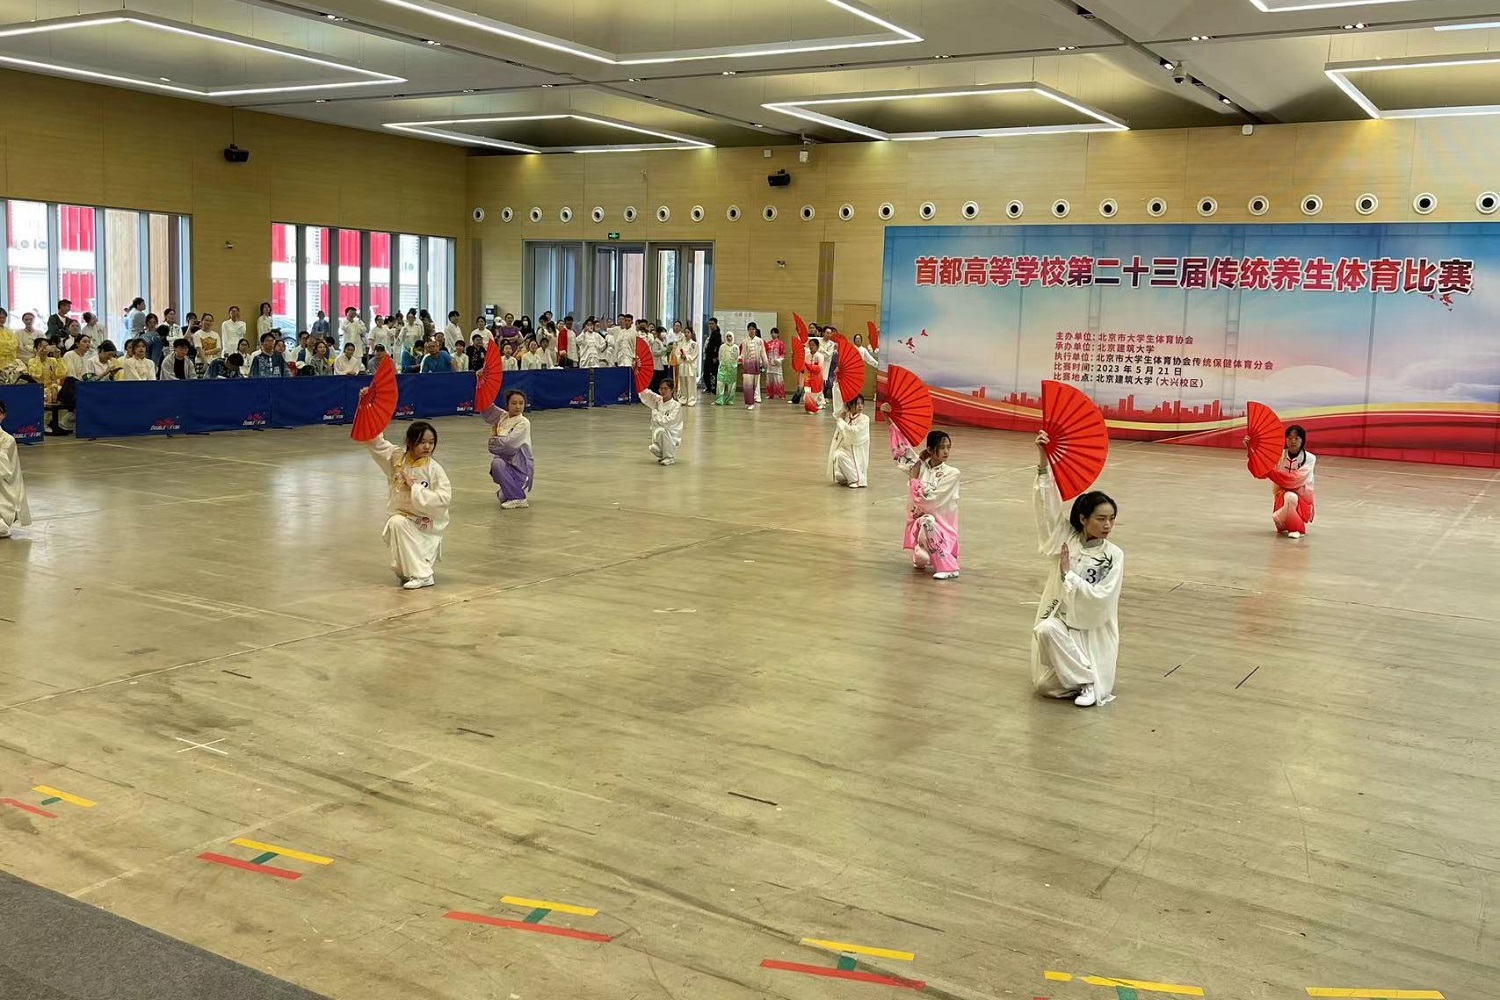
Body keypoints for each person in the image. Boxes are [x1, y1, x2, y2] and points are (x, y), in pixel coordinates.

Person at [1031, 431, 1123, 707]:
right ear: (1083, 519)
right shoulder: (1065, 540)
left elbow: (1102, 597)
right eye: (1101, 519)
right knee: (1044, 679)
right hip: (1064, 624)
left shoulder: (1114, 555)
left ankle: (1088, 682)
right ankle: (1084, 679)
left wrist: (1068, 575)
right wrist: (1043, 460)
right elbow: (1046, 511)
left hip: (1093, 630)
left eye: (1111, 519)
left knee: (1055, 685)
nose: (1107, 525)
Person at [362, 419, 451, 589]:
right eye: (422, 442)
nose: (427, 447)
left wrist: (415, 489)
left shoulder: (434, 469)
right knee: (397, 523)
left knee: (398, 523)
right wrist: (369, 416)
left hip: (425, 522)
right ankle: (413, 570)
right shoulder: (397, 457)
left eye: (431, 442)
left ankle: (424, 576)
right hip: (403, 516)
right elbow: (377, 443)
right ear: (410, 442)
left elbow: (444, 499)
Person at [887, 417, 960, 580]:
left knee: (928, 520)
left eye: (948, 447)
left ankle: (949, 567)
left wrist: (914, 480)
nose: (946, 452)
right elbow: (902, 450)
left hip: (941, 527)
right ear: (930, 449)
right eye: (942, 447)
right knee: (921, 560)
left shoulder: (952, 473)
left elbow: (931, 500)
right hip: (919, 525)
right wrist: (888, 418)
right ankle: (925, 552)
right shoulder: (920, 467)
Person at [1251, 424, 1316, 538]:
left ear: (1302, 440)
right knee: (1282, 524)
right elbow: (1261, 470)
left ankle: (1296, 529)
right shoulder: (1278, 455)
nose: (1292, 441)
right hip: (1281, 495)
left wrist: (1270, 472)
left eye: (1296, 438)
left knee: (1291, 497)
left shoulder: (1310, 458)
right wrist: (1250, 449)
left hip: (1302, 498)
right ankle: (1282, 518)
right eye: (1289, 438)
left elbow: (1294, 480)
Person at [484, 389, 534, 509]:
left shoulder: (523, 423)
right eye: (514, 403)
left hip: (520, 467)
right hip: (506, 463)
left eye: (521, 403)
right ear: (507, 404)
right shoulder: (503, 416)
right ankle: (512, 492)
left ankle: (519, 498)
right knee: (502, 495)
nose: (518, 407)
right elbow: (487, 408)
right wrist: (480, 385)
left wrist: (494, 437)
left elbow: (508, 445)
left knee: (497, 463)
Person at [0, 400, 30, 539]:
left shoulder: (8, 440)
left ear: (3, 415)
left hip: (3, 493)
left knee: (2, 529)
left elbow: (8, 471)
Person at [828, 394, 870, 488]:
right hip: (845, 448)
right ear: (850, 405)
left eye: (861, 403)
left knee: (840, 456)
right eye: (857, 404)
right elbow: (837, 408)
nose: (860, 406)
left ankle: (855, 479)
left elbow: (855, 433)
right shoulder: (846, 415)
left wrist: (841, 422)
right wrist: (837, 387)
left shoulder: (864, 419)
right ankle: (849, 477)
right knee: (838, 460)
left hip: (856, 450)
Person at [640, 380, 683, 466]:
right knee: (654, 448)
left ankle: (669, 457)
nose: (663, 391)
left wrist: (656, 414)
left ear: (672, 390)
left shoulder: (676, 406)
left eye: (666, 389)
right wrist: (639, 380)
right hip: (657, 433)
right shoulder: (658, 400)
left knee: (661, 431)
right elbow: (646, 394)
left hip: (671, 434)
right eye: (661, 389)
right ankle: (664, 453)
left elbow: (668, 421)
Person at [740, 324, 766, 410]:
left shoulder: (760, 341)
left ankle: (752, 401)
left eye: (753, 329)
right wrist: (739, 359)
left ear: (756, 330)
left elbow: (763, 353)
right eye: (750, 329)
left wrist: (765, 363)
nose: (751, 331)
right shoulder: (744, 341)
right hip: (747, 366)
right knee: (747, 385)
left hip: (756, 366)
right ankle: (750, 403)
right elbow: (743, 354)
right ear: (748, 330)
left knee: (754, 385)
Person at [673, 331, 699, 407]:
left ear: (691, 334)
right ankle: (683, 399)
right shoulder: (681, 344)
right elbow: (677, 353)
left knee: (690, 383)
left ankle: (691, 400)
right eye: (685, 332)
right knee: (682, 383)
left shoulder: (694, 344)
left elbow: (694, 355)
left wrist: (686, 357)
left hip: (690, 366)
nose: (686, 334)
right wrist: (681, 357)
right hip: (682, 365)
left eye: (688, 332)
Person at [714, 332, 738, 406]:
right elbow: (720, 356)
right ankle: (719, 400)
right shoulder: (722, 347)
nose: (728, 338)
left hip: (732, 369)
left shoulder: (735, 347)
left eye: (730, 336)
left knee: (732, 385)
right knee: (720, 384)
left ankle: (729, 400)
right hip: (723, 368)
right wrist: (721, 364)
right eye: (727, 336)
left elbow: (736, 357)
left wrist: (733, 365)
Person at [803, 337, 825, 414]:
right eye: (810, 345)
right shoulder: (806, 356)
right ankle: (810, 408)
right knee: (807, 394)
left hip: (817, 379)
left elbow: (819, 368)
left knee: (814, 395)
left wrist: (808, 365)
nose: (811, 347)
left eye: (813, 345)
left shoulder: (820, 356)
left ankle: (813, 408)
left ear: (817, 346)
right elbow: (803, 368)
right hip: (807, 379)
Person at [765, 328, 786, 400]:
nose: (773, 334)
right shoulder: (768, 343)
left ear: (778, 334)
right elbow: (766, 353)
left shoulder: (780, 343)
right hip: (769, 364)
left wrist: (779, 360)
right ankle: (770, 394)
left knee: (778, 379)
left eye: (775, 333)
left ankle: (781, 395)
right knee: (769, 380)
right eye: (772, 333)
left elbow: (783, 353)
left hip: (777, 364)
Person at [703, 317, 723, 397]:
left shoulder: (717, 334)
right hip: (708, 356)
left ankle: (713, 389)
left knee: (712, 373)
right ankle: (709, 388)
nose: (710, 325)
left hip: (713, 357)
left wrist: (715, 357)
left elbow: (717, 346)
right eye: (710, 324)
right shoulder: (712, 333)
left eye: (712, 324)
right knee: (706, 373)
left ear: (716, 324)